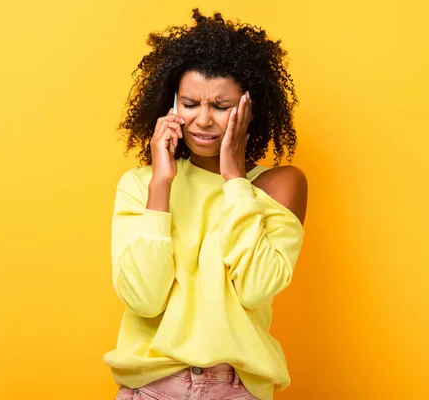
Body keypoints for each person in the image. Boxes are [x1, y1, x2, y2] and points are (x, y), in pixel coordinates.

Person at [104, 8, 308, 400]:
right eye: (190, 103)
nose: (203, 120)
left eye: (221, 105)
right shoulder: (140, 185)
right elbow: (144, 301)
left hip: (234, 388)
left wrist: (234, 180)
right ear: (171, 104)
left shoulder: (277, 184)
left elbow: (255, 289)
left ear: (250, 107)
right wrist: (161, 184)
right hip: (150, 388)